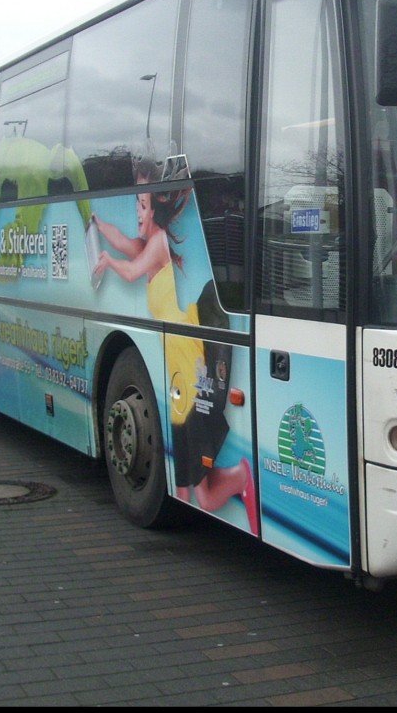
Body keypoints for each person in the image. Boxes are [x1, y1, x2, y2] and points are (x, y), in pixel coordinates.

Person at [92, 159, 258, 533]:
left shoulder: (157, 244)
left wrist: (107, 261)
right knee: (196, 493)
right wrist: (99, 226)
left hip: (188, 355)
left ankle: (239, 477)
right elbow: (123, 242)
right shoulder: (147, 242)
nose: (138, 211)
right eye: (136, 203)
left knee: (196, 491)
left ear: (156, 207)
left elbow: (130, 271)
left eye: (142, 204)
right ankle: (238, 478)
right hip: (178, 361)